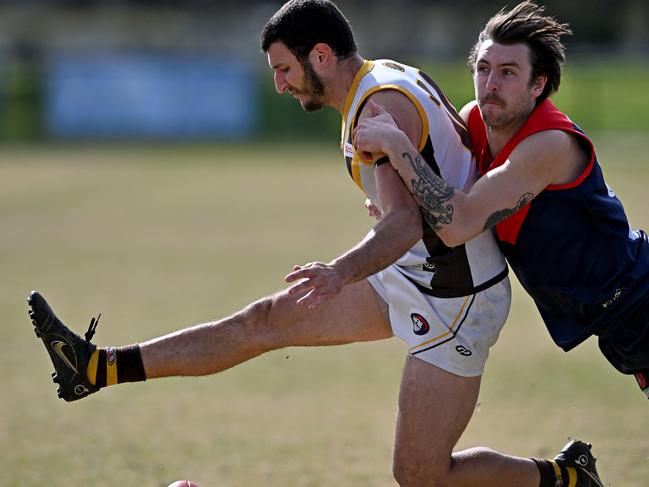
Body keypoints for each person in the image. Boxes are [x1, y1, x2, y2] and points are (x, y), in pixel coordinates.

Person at [27, 1, 601, 486]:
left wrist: (340, 272)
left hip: (458, 297)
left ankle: (564, 478)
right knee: (262, 322)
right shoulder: (380, 81)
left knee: (420, 476)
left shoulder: (375, 105)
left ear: (320, 56)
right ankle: (97, 369)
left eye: (283, 68)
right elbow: (420, 197)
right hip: (416, 270)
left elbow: (402, 225)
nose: (279, 83)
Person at [355, 0, 648, 481]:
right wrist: (398, 202)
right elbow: (436, 200)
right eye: (484, 68)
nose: (491, 83)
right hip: (619, 323)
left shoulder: (548, 145)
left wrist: (397, 145)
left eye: (509, 72)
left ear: (539, 85)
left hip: (640, 299)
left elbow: (456, 220)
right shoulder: (473, 124)